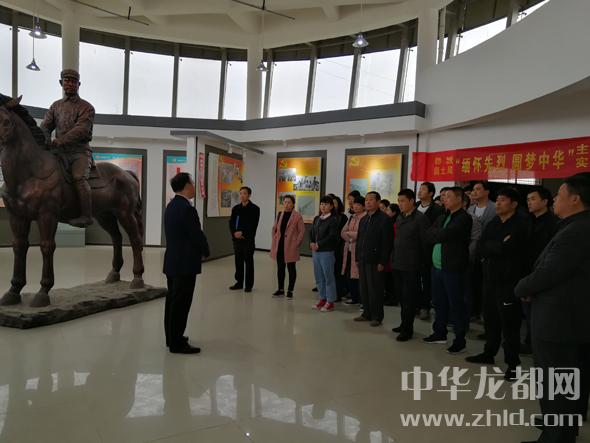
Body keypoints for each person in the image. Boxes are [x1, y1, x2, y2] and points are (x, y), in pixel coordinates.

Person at [515, 173, 590, 443]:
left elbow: (550, 272)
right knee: (566, 380)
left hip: (558, 319)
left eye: (559, 194)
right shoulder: (575, 225)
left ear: (575, 199)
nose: (555, 198)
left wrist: (522, 288)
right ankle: (562, 426)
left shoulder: (576, 231)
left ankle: (556, 436)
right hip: (567, 315)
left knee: (555, 380)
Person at [465, 188, 530, 380]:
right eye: (498, 200)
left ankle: (513, 363)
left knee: (509, 324)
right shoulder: (494, 222)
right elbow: (481, 246)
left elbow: (510, 249)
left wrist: (496, 247)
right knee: (491, 319)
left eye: (503, 200)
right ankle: (489, 353)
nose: (499, 203)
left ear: (514, 204)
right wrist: (498, 246)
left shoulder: (521, 223)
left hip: (509, 282)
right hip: (490, 278)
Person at [40, 69, 95, 227]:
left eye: (73, 81)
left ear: (79, 84)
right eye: (67, 80)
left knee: (79, 178)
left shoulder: (87, 107)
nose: (70, 83)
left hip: (79, 152)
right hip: (58, 152)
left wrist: (60, 140)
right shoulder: (55, 106)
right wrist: (45, 139)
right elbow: (45, 126)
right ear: (61, 83)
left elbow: (81, 129)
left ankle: (86, 216)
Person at [163, 173, 210, 354]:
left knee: (172, 302)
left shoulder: (171, 206)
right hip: (185, 264)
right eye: (192, 183)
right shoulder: (187, 209)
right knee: (181, 304)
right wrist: (205, 250)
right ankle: (177, 344)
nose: (194, 187)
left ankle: (172, 338)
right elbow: (196, 234)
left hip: (172, 262)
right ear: (186, 186)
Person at [424, 187, 472, 354]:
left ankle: (460, 340)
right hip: (437, 267)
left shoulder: (464, 218)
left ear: (459, 199)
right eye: (444, 196)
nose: (444, 199)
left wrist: (438, 234)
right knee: (439, 302)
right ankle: (439, 333)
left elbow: (444, 235)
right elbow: (428, 234)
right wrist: (438, 234)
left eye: (448, 196)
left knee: (456, 304)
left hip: (453, 268)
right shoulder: (443, 216)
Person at [521, 186, 559, 353]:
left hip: (541, 273)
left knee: (537, 313)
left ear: (545, 202)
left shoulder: (552, 223)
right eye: (528, 199)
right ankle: (530, 342)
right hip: (527, 271)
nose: (529, 202)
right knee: (529, 312)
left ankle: (534, 344)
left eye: (533, 199)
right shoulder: (529, 221)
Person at [391, 189, 430, 341]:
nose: (400, 204)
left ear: (412, 201)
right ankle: (403, 324)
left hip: (411, 265)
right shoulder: (400, 217)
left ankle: (408, 330)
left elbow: (425, 244)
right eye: (399, 201)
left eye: (403, 201)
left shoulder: (420, 219)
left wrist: (422, 264)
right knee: (401, 297)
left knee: (409, 299)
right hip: (398, 263)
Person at [354, 192, 394, 327]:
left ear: (378, 202)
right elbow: (359, 240)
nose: (368, 202)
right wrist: (357, 257)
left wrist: (383, 261)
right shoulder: (364, 219)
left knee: (375, 289)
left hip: (376, 261)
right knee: (364, 288)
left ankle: (377, 316)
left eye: (371, 200)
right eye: (366, 200)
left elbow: (387, 243)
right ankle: (366, 313)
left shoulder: (384, 219)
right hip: (363, 259)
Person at [467, 181, 496, 321]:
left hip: (488, 252)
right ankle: (474, 311)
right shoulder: (470, 209)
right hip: (472, 251)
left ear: (487, 191)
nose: (474, 192)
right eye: (473, 189)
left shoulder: (494, 207)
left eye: (478, 189)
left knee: (486, 284)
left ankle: (486, 312)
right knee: (472, 282)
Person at [416, 182, 445, 320]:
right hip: (412, 249)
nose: (419, 191)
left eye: (423, 189)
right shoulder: (415, 206)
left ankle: (425, 307)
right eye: (419, 189)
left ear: (431, 193)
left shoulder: (438, 210)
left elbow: (436, 231)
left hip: (428, 249)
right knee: (413, 279)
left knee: (426, 280)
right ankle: (415, 304)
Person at [269, 195, 305, 299]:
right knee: (280, 268)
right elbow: (275, 228)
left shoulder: (297, 216)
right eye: (285, 202)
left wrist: (296, 243)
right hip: (280, 245)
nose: (286, 204)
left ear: (293, 204)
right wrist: (274, 238)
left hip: (291, 246)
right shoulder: (280, 214)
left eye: (289, 202)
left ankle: (290, 290)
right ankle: (280, 289)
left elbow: (301, 231)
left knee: (291, 268)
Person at [310, 196, 340, 312]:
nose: (323, 206)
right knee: (318, 277)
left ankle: (330, 301)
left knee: (328, 277)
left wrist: (319, 244)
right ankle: (322, 298)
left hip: (326, 252)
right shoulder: (317, 218)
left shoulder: (333, 220)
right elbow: (311, 232)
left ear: (331, 206)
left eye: (326, 204)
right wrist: (312, 242)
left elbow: (332, 236)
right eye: (322, 204)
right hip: (316, 252)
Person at [229, 186, 260, 292]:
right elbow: (231, 223)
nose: (242, 195)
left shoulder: (255, 209)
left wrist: (242, 233)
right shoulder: (236, 208)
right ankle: (239, 283)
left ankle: (249, 285)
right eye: (241, 193)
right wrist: (234, 233)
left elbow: (253, 225)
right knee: (238, 262)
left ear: (249, 195)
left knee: (248, 262)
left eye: (244, 193)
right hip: (237, 240)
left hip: (248, 240)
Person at [341, 196, 366, 305]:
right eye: (355, 204)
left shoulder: (365, 218)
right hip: (349, 249)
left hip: (359, 250)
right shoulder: (352, 217)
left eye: (358, 204)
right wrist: (351, 238)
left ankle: (362, 300)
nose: (355, 206)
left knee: (359, 276)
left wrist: (350, 234)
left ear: (363, 207)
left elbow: (362, 233)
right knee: (349, 273)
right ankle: (354, 297)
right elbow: (343, 232)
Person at [383, 202, 401, 306]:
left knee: (391, 278)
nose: (386, 212)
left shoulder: (395, 223)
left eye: (388, 210)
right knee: (387, 277)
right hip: (388, 252)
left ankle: (393, 298)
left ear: (394, 213)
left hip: (392, 253)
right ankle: (388, 296)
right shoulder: (388, 222)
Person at [331, 195, 349, 301]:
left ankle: (338, 293)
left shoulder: (343, 217)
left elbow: (344, 233)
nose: (333, 205)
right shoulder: (327, 216)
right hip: (328, 248)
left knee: (338, 271)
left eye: (335, 203)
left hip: (339, 248)